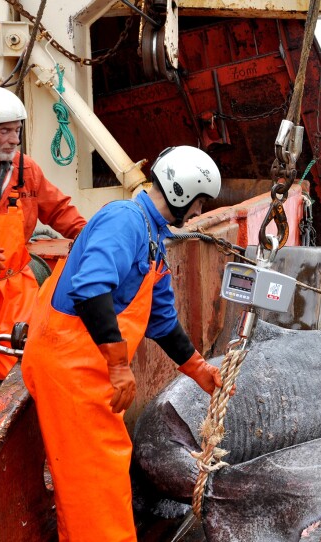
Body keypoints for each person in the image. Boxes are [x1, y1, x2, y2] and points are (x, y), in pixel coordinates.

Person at [21, 145, 225, 541]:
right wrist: (117, 365)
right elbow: (90, 289)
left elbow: (162, 321)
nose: (199, 212)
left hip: (88, 368)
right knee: (97, 482)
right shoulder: (125, 220)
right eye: (200, 202)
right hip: (69, 368)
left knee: (95, 479)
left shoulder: (153, 239)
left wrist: (199, 369)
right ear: (183, 192)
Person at [0, 85, 86, 418]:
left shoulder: (27, 170)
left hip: (17, 289)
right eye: (5, 131)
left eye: (18, 130)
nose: (14, 140)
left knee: (25, 372)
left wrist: (97, 240)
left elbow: (62, 212)